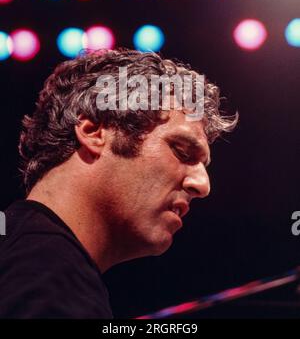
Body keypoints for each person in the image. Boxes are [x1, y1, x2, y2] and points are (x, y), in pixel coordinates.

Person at [0, 48, 237, 318]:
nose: (202, 185)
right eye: (181, 151)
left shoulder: (22, 252)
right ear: (93, 132)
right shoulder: (46, 275)